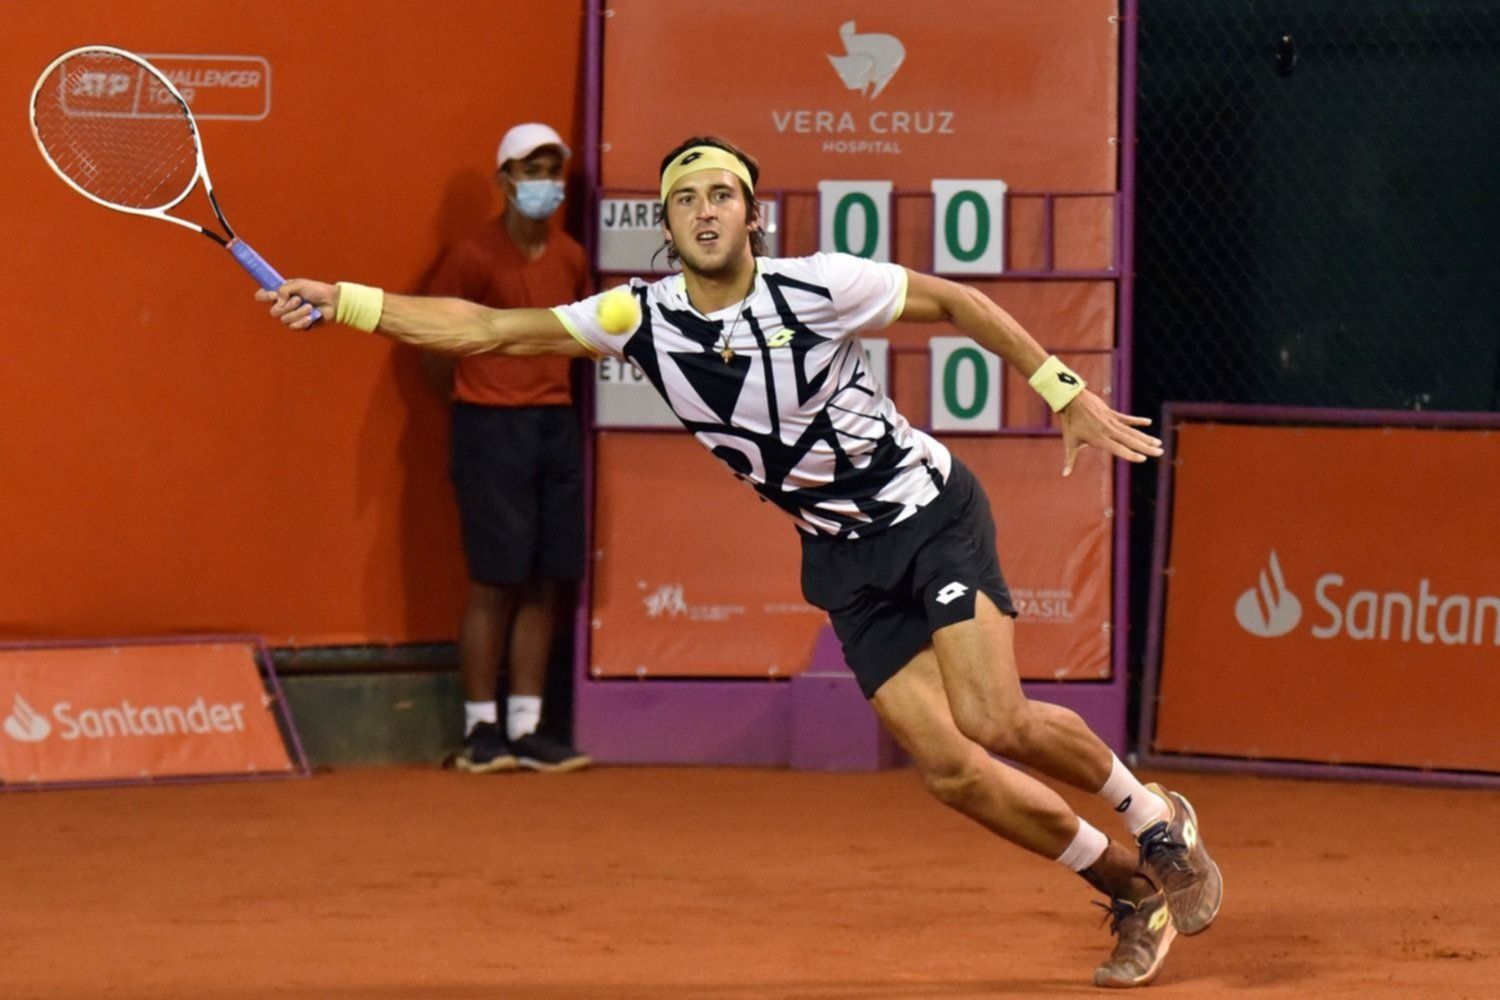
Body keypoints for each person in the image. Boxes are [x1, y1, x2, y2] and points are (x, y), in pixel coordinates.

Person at [262, 135, 1223, 988]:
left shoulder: (819, 284)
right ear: (668, 227)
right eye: (685, 199)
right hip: (841, 558)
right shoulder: (639, 318)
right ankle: (1128, 887)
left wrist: (1060, 388)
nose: (704, 210)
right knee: (950, 770)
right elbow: (483, 329)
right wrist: (343, 301)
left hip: (927, 511)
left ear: (750, 213)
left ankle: (1154, 818)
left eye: (720, 194)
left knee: (991, 716)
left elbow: (957, 300)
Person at [421, 122, 592, 774]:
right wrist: (476, 399)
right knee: (495, 581)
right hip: (489, 428)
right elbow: (434, 346)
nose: (544, 183)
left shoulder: (572, 257)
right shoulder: (470, 255)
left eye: (553, 170)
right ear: (504, 181)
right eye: (531, 170)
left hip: (555, 425)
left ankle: (528, 727)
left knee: (545, 580)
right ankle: (480, 730)